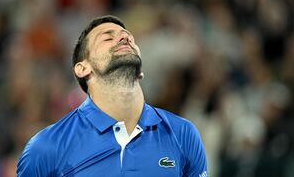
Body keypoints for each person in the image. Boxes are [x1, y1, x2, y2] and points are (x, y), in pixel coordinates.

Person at [17, 15, 208, 177]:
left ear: (140, 71)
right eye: (108, 39)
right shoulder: (46, 147)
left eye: (129, 38)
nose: (124, 39)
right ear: (83, 68)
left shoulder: (183, 134)